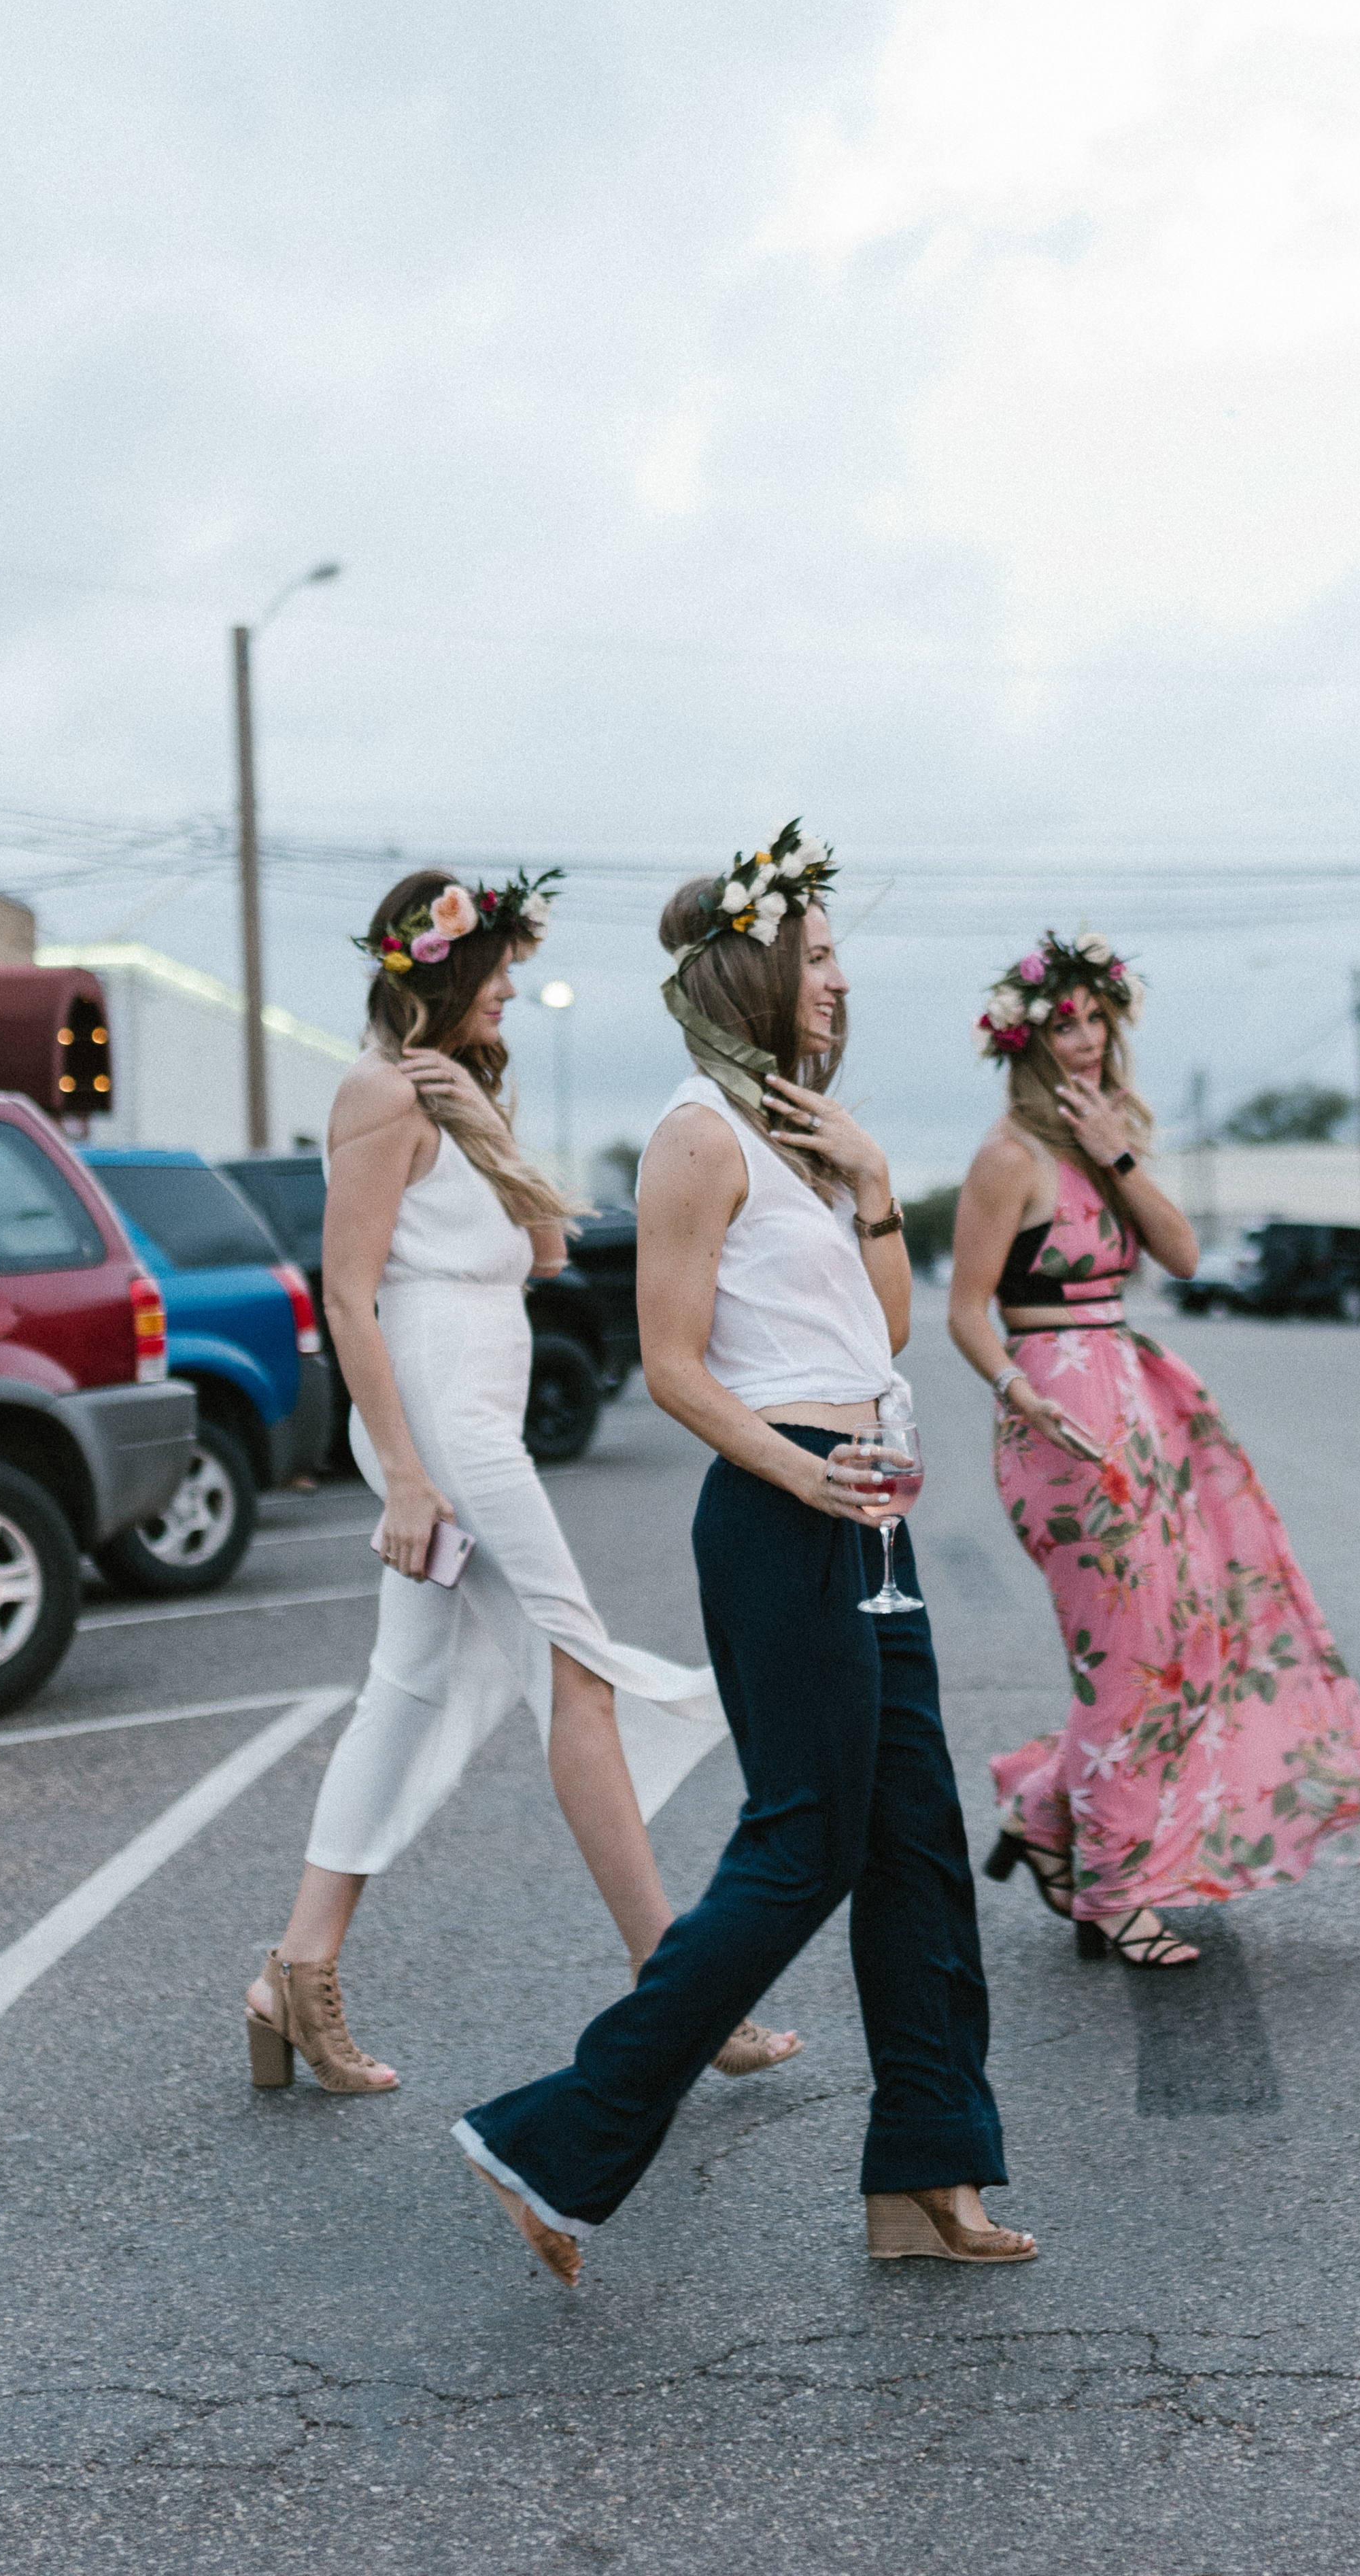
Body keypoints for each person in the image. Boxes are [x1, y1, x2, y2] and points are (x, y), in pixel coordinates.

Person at [456, 824, 1025, 2284]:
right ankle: (558, 2137)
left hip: (861, 1506)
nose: (838, 984)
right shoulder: (695, 1139)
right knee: (802, 1847)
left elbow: (882, 1330)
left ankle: (926, 2173)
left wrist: (877, 1177)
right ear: (758, 969)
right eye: (818, 957)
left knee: (912, 1851)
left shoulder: (798, 1141)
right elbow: (671, 1368)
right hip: (791, 1510)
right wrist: (810, 1476)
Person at [240, 868, 795, 2099]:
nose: (507, 986)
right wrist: (401, 1475)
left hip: (481, 1410)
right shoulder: (378, 1093)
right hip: (449, 1428)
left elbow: (546, 1252)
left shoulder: (452, 1093)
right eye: (494, 968)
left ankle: (297, 1967)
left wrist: (485, 1124)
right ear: (434, 971)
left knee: (409, 1686)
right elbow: (347, 1293)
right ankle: (681, 1992)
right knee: (574, 1674)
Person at [945, 933, 1360, 1971]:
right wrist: (1021, 1394)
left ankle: (1041, 1802)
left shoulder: (1107, 1142)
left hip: (1136, 1400)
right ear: (1026, 1039)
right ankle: (1111, 1893)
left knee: (1188, 1640)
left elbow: (1185, 1257)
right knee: (1132, 1658)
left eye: (1098, 1020)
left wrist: (1116, 1152)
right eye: (1065, 1024)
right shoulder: (1005, 1155)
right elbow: (967, 1312)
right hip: (1059, 1416)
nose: (1088, 1041)